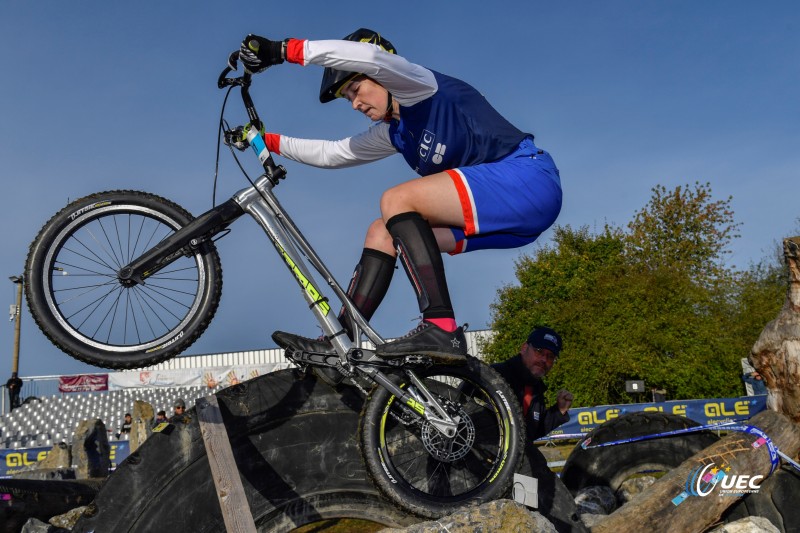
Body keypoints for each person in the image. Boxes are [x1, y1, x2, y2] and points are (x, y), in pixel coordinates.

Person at [233, 29, 562, 362]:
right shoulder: (395, 133)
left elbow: (371, 58)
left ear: (383, 76)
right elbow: (333, 153)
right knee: (381, 232)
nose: (356, 104)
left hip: (529, 181)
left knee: (396, 200)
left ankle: (441, 326)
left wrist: (282, 50)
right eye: (349, 99)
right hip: (507, 223)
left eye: (357, 89)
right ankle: (341, 344)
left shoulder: (419, 86)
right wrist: (265, 140)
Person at [491, 327, 573, 441]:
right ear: (524, 348)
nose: (544, 359)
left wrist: (559, 411)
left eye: (550, 356)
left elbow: (532, 432)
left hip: (516, 456)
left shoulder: (536, 388)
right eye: (539, 351)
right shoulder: (494, 375)